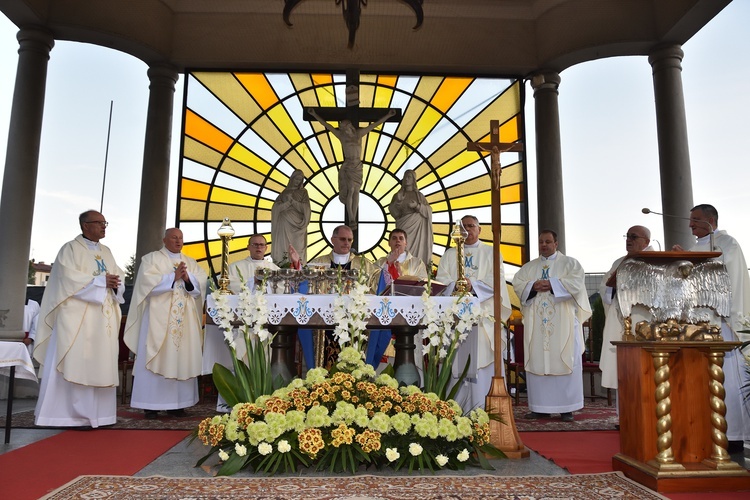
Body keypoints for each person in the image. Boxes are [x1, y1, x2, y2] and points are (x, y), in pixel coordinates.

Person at [33, 210, 125, 427]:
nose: (104, 226)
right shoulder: (70, 249)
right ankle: (69, 416)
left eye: (105, 223)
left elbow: (117, 279)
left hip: (103, 321)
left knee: (100, 362)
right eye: (99, 223)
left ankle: (101, 416)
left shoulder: (107, 251)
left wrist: (112, 283)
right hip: (77, 321)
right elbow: (66, 279)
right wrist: (102, 281)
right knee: (78, 361)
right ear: (85, 225)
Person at [672, 204, 750, 447]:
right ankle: (706, 429)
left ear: (711, 221)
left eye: (695, 219)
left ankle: (734, 434)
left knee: (728, 377)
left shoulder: (728, 244)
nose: (690, 224)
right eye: (690, 219)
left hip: (722, 322)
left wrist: (688, 262)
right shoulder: (695, 248)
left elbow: (725, 277)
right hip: (696, 324)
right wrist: (679, 260)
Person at [123, 228, 207, 419]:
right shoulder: (151, 259)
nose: (178, 241)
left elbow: (200, 285)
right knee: (156, 354)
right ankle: (150, 405)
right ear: (164, 240)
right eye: (174, 238)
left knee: (181, 357)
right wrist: (172, 277)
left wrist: (187, 278)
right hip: (157, 320)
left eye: (181, 238)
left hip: (183, 321)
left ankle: (178, 404)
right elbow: (145, 284)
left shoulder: (191, 262)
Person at [512, 230, 591, 422]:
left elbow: (576, 283)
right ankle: (539, 407)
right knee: (539, 360)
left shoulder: (570, 263)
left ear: (556, 243)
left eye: (548, 241)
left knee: (564, 357)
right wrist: (532, 286)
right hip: (537, 325)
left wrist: (552, 284)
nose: (544, 245)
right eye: (540, 242)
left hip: (563, 323)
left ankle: (567, 408)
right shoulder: (529, 268)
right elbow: (518, 283)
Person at [435, 215, 512, 411]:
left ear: (479, 230)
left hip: (482, 317)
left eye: (471, 226)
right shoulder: (449, 255)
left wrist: (473, 285)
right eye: (463, 227)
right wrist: (457, 285)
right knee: (456, 358)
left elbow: (497, 280)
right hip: (454, 318)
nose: (467, 230)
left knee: (482, 357)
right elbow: (442, 281)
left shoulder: (491, 252)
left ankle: (483, 409)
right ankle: (455, 407)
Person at [308, 108, 397, 229]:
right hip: (349, 166)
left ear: (350, 126)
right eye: (343, 127)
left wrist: (387, 116)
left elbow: (375, 125)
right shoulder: (342, 136)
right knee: (350, 189)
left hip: (357, 166)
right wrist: (314, 115)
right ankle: (351, 218)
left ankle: (353, 217)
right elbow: (327, 125)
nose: (344, 129)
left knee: (356, 191)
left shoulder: (359, 134)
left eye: (346, 126)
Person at [308, 225, 377, 367]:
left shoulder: (365, 265)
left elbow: (375, 287)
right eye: (343, 239)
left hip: (354, 319)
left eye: (350, 240)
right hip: (325, 318)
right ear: (333, 240)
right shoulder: (318, 263)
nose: (347, 243)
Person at [599, 226, 653, 394]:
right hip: (621, 319)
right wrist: (612, 287)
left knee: (646, 370)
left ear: (647, 242)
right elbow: (605, 288)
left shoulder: (655, 261)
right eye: (627, 236)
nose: (629, 240)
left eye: (634, 237)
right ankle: (625, 417)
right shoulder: (620, 262)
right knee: (622, 372)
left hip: (643, 320)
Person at [367, 228, 428, 367]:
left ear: (406, 243)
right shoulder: (379, 262)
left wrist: (401, 276)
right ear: (389, 243)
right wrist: (388, 266)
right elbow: (373, 286)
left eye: (401, 238)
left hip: (409, 315)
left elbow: (423, 286)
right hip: (385, 315)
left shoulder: (417, 263)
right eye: (394, 238)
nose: (397, 241)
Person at [389, 170, 433, 268]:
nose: (407, 179)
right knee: (401, 243)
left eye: (409, 177)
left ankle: (416, 268)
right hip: (403, 224)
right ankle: (398, 267)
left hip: (417, 227)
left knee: (416, 252)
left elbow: (429, 211)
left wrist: (417, 206)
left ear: (414, 180)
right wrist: (398, 202)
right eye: (405, 177)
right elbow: (394, 213)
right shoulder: (398, 195)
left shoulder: (419, 196)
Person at [271, 169, 311, 266]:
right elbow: (276, 208)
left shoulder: (303, 192)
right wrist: (286, 204)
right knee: (284, 247)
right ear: (292, 179)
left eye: (300, 180)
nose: (297, 182)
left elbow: (306, 208)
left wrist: (293, 202)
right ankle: (282, 264)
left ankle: (298, 266)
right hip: (284, 223)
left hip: (298, 225)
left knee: (298, 247)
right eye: (296, 179)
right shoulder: (284, 192)